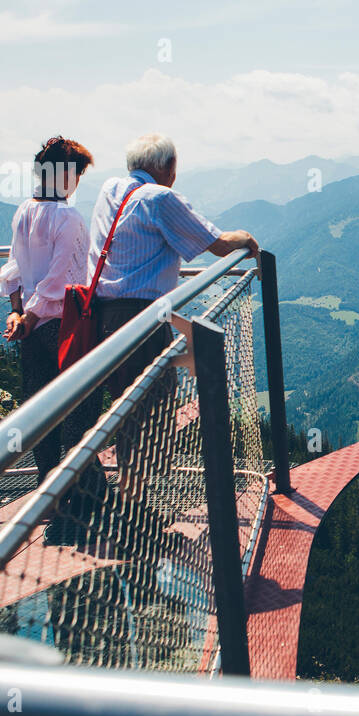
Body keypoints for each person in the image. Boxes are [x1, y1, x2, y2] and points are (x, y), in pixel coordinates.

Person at [80, 134, 257, 554]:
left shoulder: (111, 189)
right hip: (142, 317)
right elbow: (216, 245)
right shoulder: (160, 199)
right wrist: (246, 238)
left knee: (128, 405)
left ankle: (127, 500)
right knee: (151, 407)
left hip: (103, 315)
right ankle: (133, 509)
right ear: (168, 168)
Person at [0, 136, 99, 492]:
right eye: (78, 173)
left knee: (41, 408)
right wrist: (31, 314)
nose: (78, 181)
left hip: (32, 330)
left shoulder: (25, 210)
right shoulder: (67, 217)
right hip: (63, 325)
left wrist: (19, 313)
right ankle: (80, 490)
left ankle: (48, 485)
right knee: (78, 406)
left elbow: (11, 269)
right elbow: (59, 281)